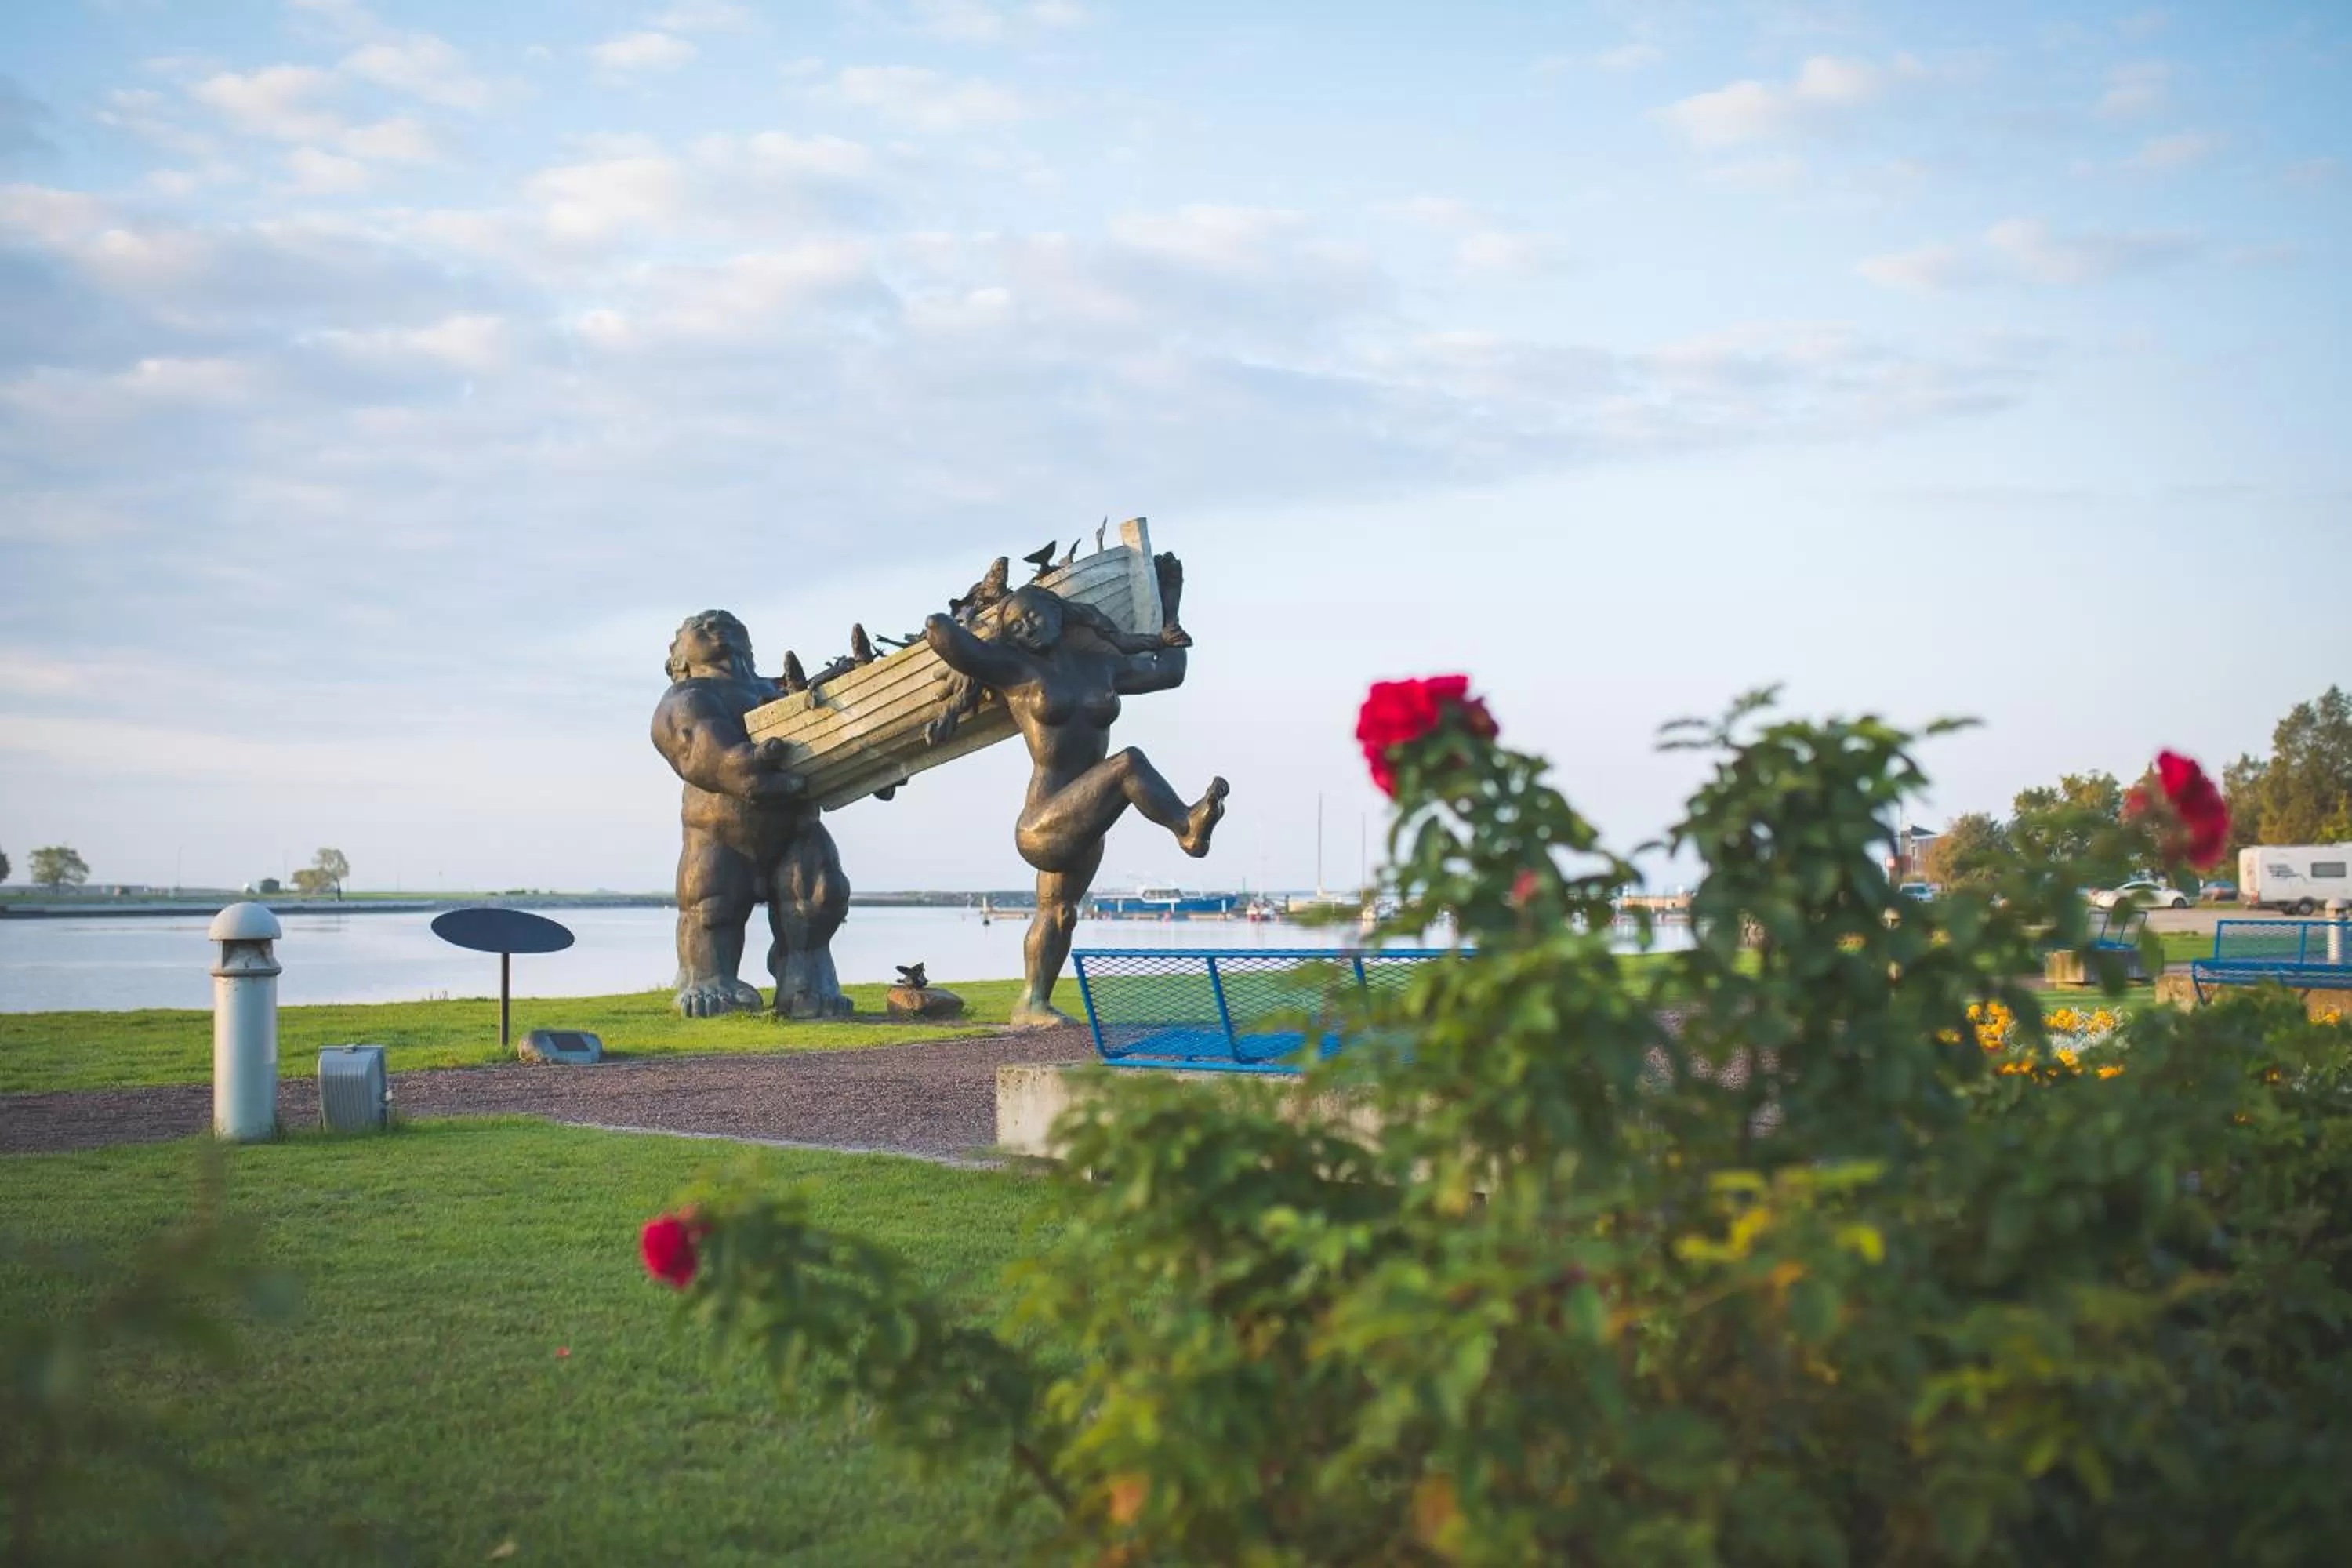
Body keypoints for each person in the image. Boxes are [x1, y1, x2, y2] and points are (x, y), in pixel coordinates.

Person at [924, 584, 1226, 1028]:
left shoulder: (1099, 664)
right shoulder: (1015, 669)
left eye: (1034, 615)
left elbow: (1168, 672)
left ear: (1059, 613)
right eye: (1017, 626)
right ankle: (1185, 825)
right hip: (1042, 824)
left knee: (1059, 913)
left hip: (1087, 818)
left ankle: (1032, 1003)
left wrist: (1170, 603)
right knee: (1128, 764)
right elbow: (939, 630)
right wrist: (978, 620)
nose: (1028, 627)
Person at [650, 610, 852, 1018]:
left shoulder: (782, 691)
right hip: (718, 832)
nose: (716, 628)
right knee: (712, 904)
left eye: (727, 625)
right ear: (679, 660)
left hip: (795, 825)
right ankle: (707, 978)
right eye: (700, 629)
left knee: (817, 897)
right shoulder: (687, 697)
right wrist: (740, 764)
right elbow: (697, 748)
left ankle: (806, 980)